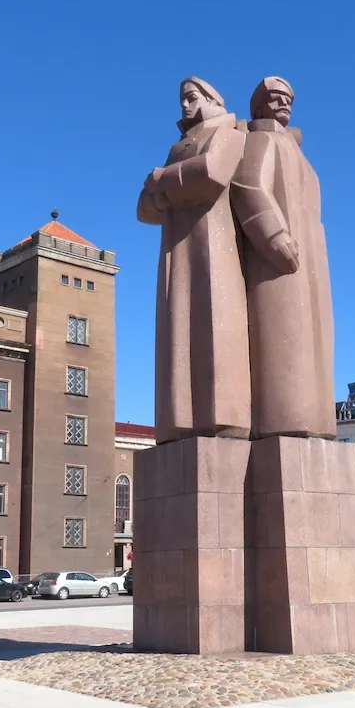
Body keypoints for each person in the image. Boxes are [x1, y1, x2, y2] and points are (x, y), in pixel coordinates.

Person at [137, 78, 251, 444]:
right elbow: (144, 210)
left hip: (212, 246)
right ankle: (179, 420)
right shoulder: (177, 148)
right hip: (176, 248)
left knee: (216, 324)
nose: (185, 105)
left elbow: (211, 173)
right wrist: (165, 188)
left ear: (212, 99)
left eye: (191, 97)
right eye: (181, 99)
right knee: (177, 334)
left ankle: (222, 417)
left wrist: (159, 179)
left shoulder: (228, 131)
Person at [231, 76, 337, 440]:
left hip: (310, 263)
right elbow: (247, 187)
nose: (283, 104)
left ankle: (317, 425)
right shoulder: (261, 139)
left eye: (288, 98)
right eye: (274, 98)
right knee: (284, 343)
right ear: (258, 106)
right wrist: (274, 237)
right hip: (278, 261)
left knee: (315, 348)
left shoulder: (297, 151)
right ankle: (284, 425)